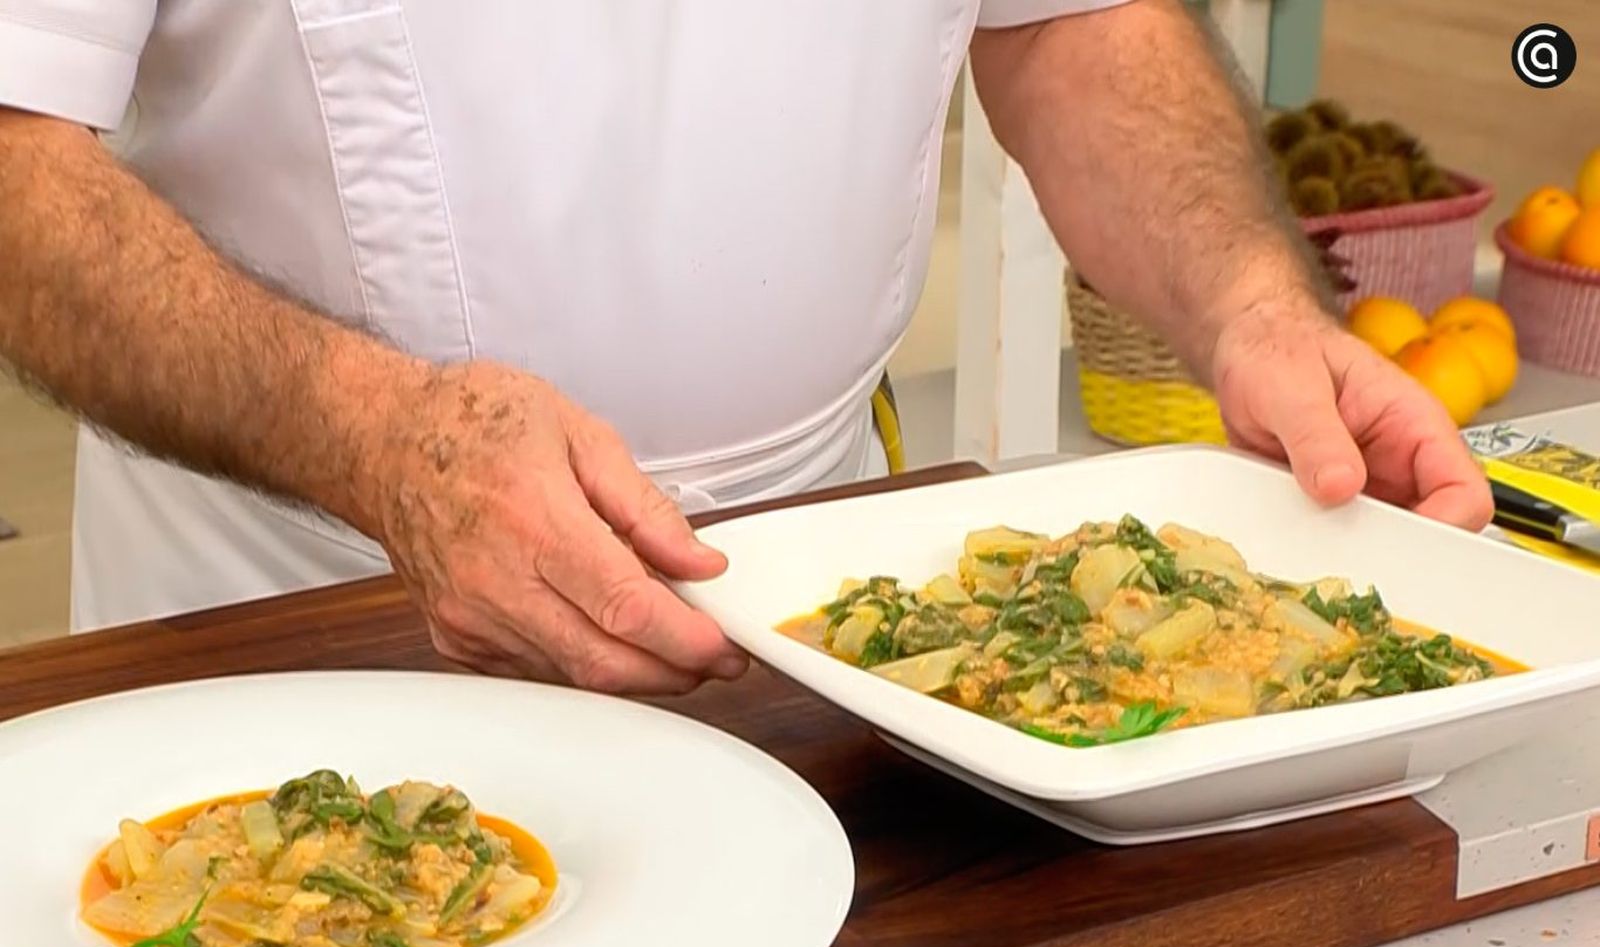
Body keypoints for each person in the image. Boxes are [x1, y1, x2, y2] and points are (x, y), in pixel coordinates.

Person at [0, 0, 1491, 695]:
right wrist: (380, 439)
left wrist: (1250, 302)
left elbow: (1068, 23)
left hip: (826, 613)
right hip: (308, 606)